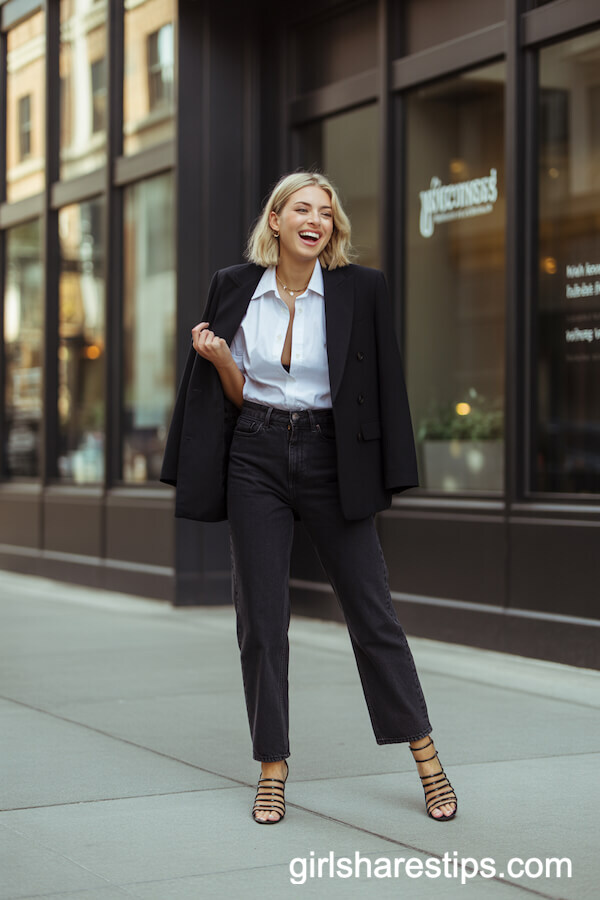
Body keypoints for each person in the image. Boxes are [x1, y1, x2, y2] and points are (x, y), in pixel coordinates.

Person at [160, 171, 457, 825]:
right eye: (302, 208)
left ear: (333, 226)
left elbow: (385, 382)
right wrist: (217, 359)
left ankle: (427, 757)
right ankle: (272, 767)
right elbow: (240, 393)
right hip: (257, 452)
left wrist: (389, 473)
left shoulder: (361, 289)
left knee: (373, 613)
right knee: (262, 621)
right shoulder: (235, 287)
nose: (315, 219)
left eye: (326, 210)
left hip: (333, 457)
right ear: (276, 220)